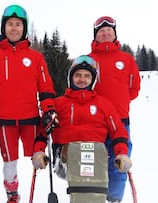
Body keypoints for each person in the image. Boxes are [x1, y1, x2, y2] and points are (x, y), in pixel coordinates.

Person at [0, 4, 57, 203]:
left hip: (30, 118)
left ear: (24, 28)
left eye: (18, 24)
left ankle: (36, 189)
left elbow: (46, 87)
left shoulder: (35, 57)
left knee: (37, 157)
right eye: (10, 24)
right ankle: (12, 193)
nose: (14, 28)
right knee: (9, 161)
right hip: (4, 120)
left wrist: (49, 110)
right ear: (3, 27)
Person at [31, 55, 132, 197]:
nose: (82, 79)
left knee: (96, 157)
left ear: (93, 80)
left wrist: (122, 153)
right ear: (71, 78)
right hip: (65, 157)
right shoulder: (59, 104)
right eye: (78, 75)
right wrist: (39, 152)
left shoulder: (104, 104)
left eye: (87, 76)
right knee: (75, 152)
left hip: (96, 157)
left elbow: (118, 131)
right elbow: (43, 130)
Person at [89, 16, 141, 203]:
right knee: (94, 162)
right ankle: (94, 197)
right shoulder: (89, 59)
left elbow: (134, 89)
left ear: (114, 33)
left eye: (108, 30)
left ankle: (114, 199)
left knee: (119, 162)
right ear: (96, 35)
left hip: (120, 121)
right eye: (101, 31)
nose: (105, 33)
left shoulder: (126, 59)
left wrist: (118, 102)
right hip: (95, 122)